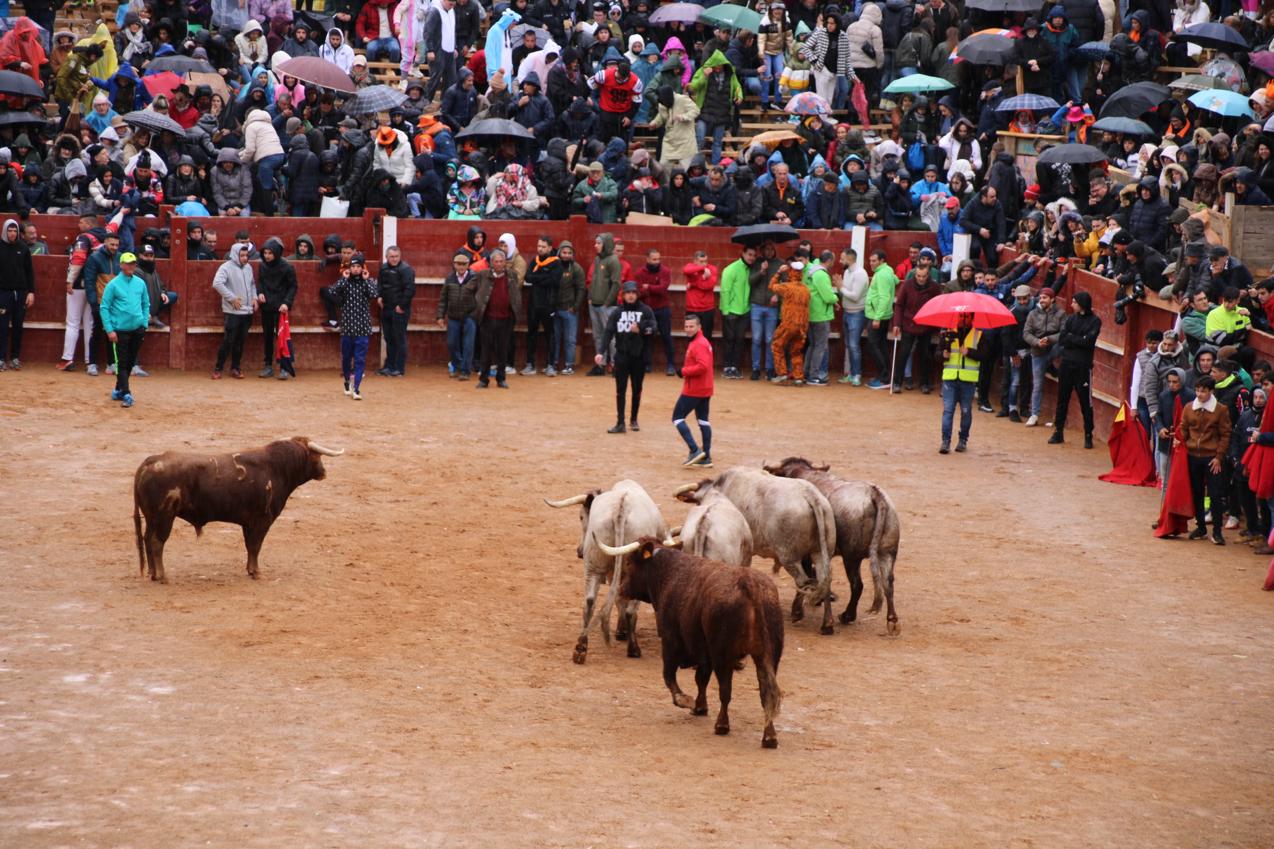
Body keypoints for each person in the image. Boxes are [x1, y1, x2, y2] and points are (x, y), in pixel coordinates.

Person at [1180, 374, 1232, 545]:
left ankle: (1217, 531)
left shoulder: (1221, 410)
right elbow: (1184, 429)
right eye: (1197, 390)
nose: (1199, 394)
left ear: (1211, 391)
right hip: (1193, 455)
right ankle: (1201, 526)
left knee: (1215, 495)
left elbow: (1225, 435)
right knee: (1196, 492)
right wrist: (1179, 440)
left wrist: (1219, 457)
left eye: (1203, 391)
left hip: (1211, 458)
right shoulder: (1189, 408)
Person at [597, 281, 656, 433]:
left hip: (639, 357)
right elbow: (608, 333)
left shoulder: (646, 310)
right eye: (628, 293)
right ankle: (620, 422)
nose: (630, 295)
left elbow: (653, 329)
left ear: (637, 294)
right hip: (622, 356)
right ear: (623, 295)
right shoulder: (617, 312)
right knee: (620, 390)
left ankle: (634, 419)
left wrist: (641, 329)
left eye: (633, 293)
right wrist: (600, 352)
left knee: (637, 389)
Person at [1049, 290, 1101, 448]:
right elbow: (1064, 339)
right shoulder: (1071, 319)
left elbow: (1088, 341)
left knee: (1086, 402)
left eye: (1074, 302)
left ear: (1081, 304)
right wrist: (1079, 339)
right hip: (1067, 364)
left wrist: (1074, 339)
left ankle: (1088, 434)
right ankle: (1058, 432)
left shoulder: (1095, 321)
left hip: (1083, 367)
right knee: (1062, 399)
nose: (1071, 304)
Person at [98, 252, 149, 409]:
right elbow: (104, 307)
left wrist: (144, 323)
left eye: (133, 263)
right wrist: (109, 330)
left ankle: (118, 389)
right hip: (119, 330)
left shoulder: (140, 283)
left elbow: (145, 304)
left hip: (137, 329)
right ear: (121, 265)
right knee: (122, 363)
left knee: (129, 361)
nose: (130, 266)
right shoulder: (113, 285)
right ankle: (126, 393)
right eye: (128, 263)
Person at [472, 249, 523, 390]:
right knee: (486, 351)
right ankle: (484, 380)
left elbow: (516, 295)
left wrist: (515, 312)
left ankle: (501, 379)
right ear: (491, 263)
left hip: (506, 318)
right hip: (488, 318)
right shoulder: (482, 275)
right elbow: (469, 289)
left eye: (502, 261)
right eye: (496, 261)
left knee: (502, 350)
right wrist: (474, 308)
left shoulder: (512, 275)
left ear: (505, 262)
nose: (499, 264)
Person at [330, 253, 378, 400]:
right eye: (353, 266)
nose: (356, 269)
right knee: (346, 358)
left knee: (360, 359)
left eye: (358, 266)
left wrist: (367, 279)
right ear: (349, 268)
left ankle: (356, 388)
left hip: (362, 328)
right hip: (348, 328)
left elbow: (374, 294)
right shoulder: (345, 282)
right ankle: (346, 381)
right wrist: (343, 278)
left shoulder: (366, 282)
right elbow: (331, 291)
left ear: (362, 268)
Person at [673, 312, 714, 467]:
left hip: (694, 389)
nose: (688, 329)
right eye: (686, 326)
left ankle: (695, 450)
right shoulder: (702, 341)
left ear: (699, 327)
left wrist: (683, 371)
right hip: (705, 388)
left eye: (692, 326)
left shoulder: (698, 344)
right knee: (703, 420)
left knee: (677, 418)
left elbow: (703, 366)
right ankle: (706, 457)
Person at [212, 242, 258, 380]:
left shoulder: (249, 267)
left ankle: (235, 368)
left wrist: (255, 298)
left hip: (247, 311)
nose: (245, 258)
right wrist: (232, 298)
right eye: (242, 255)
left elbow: (252, 285)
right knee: (228, 341)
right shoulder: (226, 267)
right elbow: (217, 284)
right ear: (235, 255)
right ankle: (218, 368)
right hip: (233, 312)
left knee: (240, 342)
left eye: (246, 255)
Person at [1022, 286, 1065, 427]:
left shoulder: (1060, 313)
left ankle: (1050, 364)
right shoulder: (1033, 314)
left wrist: (1049, 339)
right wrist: (1037, 342)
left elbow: (1064, 333)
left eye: (1045, 298)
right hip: (1038, 351)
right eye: (1040, 298)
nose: (1042, 300)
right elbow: (1026, 334)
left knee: (1063, 345)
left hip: (1053, 349)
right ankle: (1034, 414)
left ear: (1052, 299)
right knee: (1038, 384)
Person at [254, 238, 296, 380]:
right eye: (265, 253)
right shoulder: (263, 266)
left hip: (280, 307)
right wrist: (259, 293)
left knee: (281, 337)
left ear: (277, 253)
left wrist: (286, 302)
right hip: (266, 307)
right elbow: (260, 281)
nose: (267, 256)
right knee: (267, 336)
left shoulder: (287, 267)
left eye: (270, 253)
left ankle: (284, 367)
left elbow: (293, 286)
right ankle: (268, 365)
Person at [939, 312, 980, 454]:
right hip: (950, 378)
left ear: (972, 318)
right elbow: (936, 355)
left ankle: (963, 440)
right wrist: (943, 355)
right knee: (948, 410)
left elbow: (986, 355)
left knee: (966, 411)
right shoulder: (947, 334)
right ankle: (945, 441)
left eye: (966, 316)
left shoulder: (978, 334)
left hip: (968, 380)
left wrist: (969, 353)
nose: (963, 319)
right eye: (961, 316)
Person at [768, 260, 811, 385]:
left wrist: (778, 272)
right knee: (796, 350)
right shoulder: (806, 290)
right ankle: (798, 377)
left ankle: (782, 374)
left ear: (790, 272)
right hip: (802, 326)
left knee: (777, 345)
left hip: (789, 324)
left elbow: (771, 286)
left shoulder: (786, 287)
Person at [635, 247, 676, 375]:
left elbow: (663, 289)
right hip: (647, 310)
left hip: (662, 309)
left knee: (666, 336)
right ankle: (647, 364)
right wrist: (653, 289)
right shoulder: (639, 273)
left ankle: (670, 364)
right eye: (654, 259)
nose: (657, 261)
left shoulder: (665, 271)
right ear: (647, 259)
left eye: (658, 259)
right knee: (646, 337)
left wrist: (648, 287)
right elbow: (638, 292)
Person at [523, 236, 561, 376]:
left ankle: (550, 365)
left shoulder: (556, 263)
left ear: (550, 248)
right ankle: (530, 364)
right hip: (534, 303)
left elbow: (554, 281)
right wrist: (543, 278)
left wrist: (537, 278)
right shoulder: (535, 260)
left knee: (550, 335)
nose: (540, 249)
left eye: (543, 246)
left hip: (549, 304)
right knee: (531, 334)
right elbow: (527, 277)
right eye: (539, 246)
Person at [0, 217, 34, 370]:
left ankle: (15, 357)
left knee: (18, 326)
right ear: (5, 231)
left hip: (20, 293)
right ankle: (1, 358)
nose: (12, 233)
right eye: (10, 230)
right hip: (3, 293)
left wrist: (31, 292)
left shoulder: (23, 248)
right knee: (2, 326)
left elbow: (29, 272)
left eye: (15, 230)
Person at [437, 252, 478, 379]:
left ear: (468, 265)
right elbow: (443, 299)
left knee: (468, 344)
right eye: (458, 264)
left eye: (463, 264)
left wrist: (475, 313)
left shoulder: (474, 278)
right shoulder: (450, 279)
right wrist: (440, 316)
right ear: (454, 265)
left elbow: (480, 297)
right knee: (452, 343)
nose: (461, 267)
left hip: (469, 316)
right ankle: (458, 366)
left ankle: (465, 371)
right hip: (454, 316)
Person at [718, 244, 756, 380]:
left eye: (753, 255)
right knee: (729, 340)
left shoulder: (751, 269)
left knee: (739, 340)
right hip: (731, 311)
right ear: (743, 253)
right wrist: (726, 311)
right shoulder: (731, 269)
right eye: (749, 254)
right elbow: (725, 291)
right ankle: (727, 367)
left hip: (744, 311)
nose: (751, 258)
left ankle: (734, 367)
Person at [377, 245, 415, 377]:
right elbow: (380, 284)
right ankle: (389, 365)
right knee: (389, 338)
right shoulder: (383, 267)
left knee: (399, 338)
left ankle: (399, 367)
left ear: (400, 256)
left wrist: (402, 306)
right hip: (387, 307)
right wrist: (380, 296)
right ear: (387, 257)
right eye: (391, 257)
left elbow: (410, 290)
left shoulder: (406, 269)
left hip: (399, 309)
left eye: (396, 256)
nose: (394, 259)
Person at [587, 233, 622, 375]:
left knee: (611, 336)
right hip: (594, 303)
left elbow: (616, 283)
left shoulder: (613, 260)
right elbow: (594, 280)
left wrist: (607, 302)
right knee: (598, 335)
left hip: (607, 305)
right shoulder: (597, 259)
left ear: (606, 244)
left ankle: (614, 364)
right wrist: (590, 297)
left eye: (598, 243)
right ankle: (600, 365)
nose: (595, 245)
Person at [552, 240, 586, 375]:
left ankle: (569, 364)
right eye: (564, 252)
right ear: (559, 253)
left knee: (570, 339)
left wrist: (575, 306)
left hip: (569, 309)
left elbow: (581, 289)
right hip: (555, 308)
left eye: (569, 253)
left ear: (572, 254)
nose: (566, 255)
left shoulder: (576, 268)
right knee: (555, 338)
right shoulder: (554, 266)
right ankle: (553, 363)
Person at [864, 248, 897, 389]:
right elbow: (895, 281)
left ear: (881, 261)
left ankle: (884, 378)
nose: (871, 263)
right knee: (881, 346)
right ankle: (885, 376)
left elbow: (884, 297)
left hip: (878, 316)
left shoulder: (882, 274)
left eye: (874, 261)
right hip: (881, 315)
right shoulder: (887, 271)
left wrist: (877, 318)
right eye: (870, 261)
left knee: (873, 346)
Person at [805, 251, 839, 386]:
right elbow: (828, 296)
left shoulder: (812, 272)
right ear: (829, 261)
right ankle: (813, 375)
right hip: (820, 315)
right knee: (820, 346)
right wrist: (836, 299)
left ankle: (807, 372)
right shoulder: (821, 274)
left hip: (812, 313)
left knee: (813, 345)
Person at [838, 247, 869, 385]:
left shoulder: (860, 273)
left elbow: (855, 296)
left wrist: (840, 288)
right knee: (849, 345)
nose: (840, 261)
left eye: (842, 258)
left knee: (853, 345)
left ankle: (856, 374)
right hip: (847, 312)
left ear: (850, 259)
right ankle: (852, 373)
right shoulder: (847, 272)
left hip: (857, 313)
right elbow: (847, 293)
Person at [683, 250, 718, 341]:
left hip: (707, 310)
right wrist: (702, 274)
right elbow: (686, 270)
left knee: (706, 338)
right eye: (701, 262)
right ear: (695, 261)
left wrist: (693, 283)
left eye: (705, 261)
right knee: (691, 338)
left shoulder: (712, 269)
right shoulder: (690, 267)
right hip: (692, 309)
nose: (704, 264)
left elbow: (707, 286)